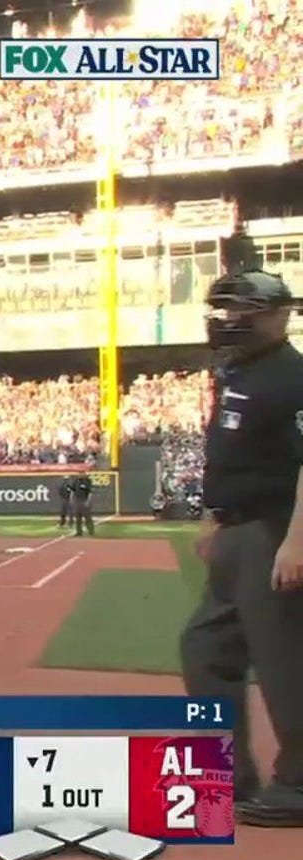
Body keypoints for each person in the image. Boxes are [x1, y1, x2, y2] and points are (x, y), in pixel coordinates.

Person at [180, 269, 303, 828]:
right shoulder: (238, 371)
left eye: (244, 310)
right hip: (236, 533)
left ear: (280, 315)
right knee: (205, 648)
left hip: (273, 531)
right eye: (224, 309)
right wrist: (215, 521)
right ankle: (227, 774)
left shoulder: (292, 375)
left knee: (283, 663)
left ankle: (298, 784)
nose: (230, 320)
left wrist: (297, 540)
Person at [68, 471, 95, 537]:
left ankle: (91, 531)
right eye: (79, 473)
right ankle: (79, 532)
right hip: (77, 501)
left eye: (82, 473)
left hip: (84, 500)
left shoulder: (87, 481)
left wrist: (88, 501)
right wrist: (71, 499)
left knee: (88, 517)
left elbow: (90, 493)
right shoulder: (75, 481)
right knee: (78, 518)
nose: (80, 475)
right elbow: (72, 491)